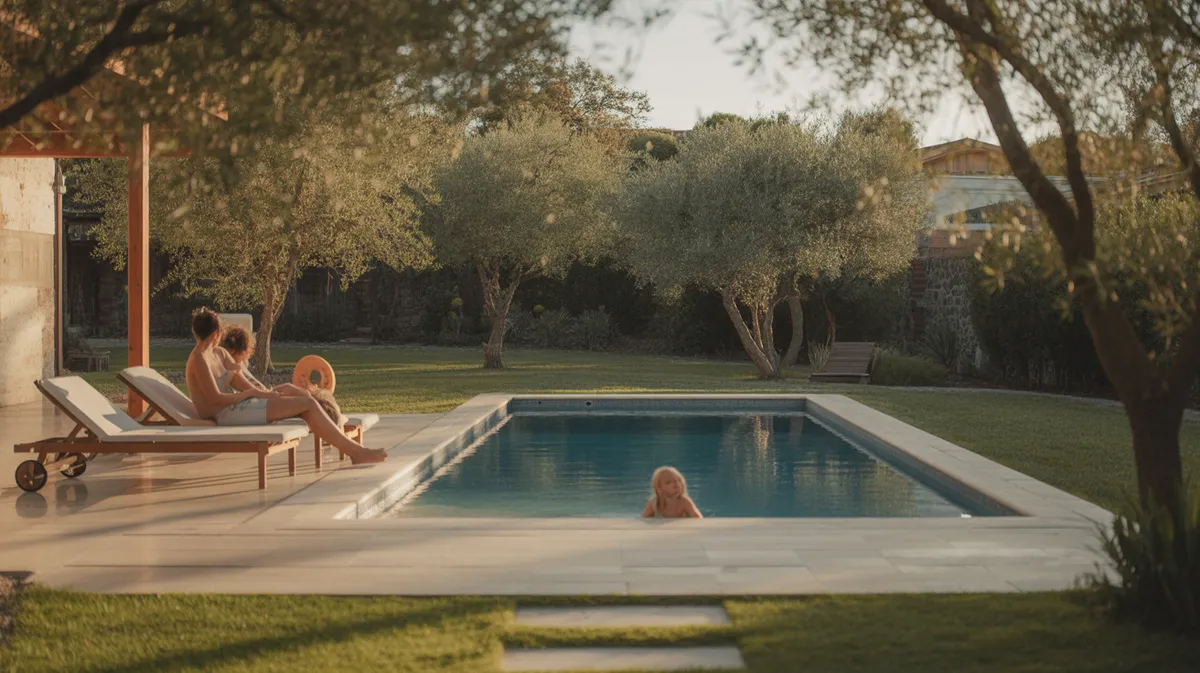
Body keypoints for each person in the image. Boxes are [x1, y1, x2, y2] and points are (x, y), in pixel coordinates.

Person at [185, 308, 386, 464]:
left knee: (302, 399)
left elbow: (241, 381)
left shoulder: (219, 354)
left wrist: (264, 394)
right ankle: (355, 451)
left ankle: (353, 450)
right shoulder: (198, 360)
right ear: (217, 333)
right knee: (307, 405)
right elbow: (215, 399)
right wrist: (252, 394)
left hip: (238, 407)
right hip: (225, 415)